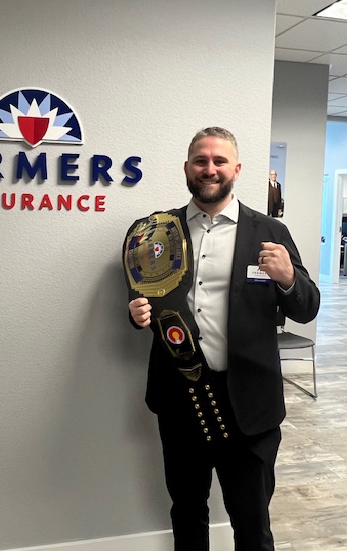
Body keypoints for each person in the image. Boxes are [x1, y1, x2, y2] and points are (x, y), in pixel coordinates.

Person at [124, 127, 319, 551]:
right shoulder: (156, 231)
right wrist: (136, 312)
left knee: (252, 520)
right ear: (187, 167)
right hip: (180, 398)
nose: (209, 169)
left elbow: (307, 308)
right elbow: (142, 295)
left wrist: (288, 280)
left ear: (236, 169)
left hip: (249, 402)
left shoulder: (269, 231)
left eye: (218, 161)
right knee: (187, 511)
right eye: (201, 160)